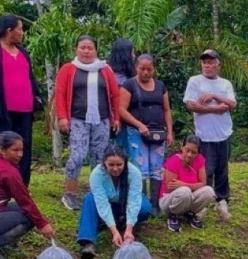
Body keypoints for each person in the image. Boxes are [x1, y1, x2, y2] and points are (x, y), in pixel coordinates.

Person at [56, 35, 121, 211]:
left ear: (96, 50)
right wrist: (62, 117)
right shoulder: (68, 69)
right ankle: (70, 193)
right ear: (76, 49)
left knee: (99, 157)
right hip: (78, 119)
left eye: (90, 48)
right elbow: (60, 93)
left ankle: (97, 193)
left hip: (102, 120)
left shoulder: (105, 70)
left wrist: (116, 118)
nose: (86, 51)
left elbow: (115, 95)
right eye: (82, 47)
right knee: (78, 155)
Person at [183, 49, 236, 221]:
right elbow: (191, 105)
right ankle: (203, 202)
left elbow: (232, 104)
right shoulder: (195, 81)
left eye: (211, 62)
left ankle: (222, 199)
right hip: (204, 135)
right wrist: (216, 108)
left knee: (222, 168)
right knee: (206, 169)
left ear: (218, 65)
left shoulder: (225, 84)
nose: (207, 66)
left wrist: (214, 96)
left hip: (223, 133)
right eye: (204, 62)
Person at [119, 54, 173, 215]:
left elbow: (166, 110)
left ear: (154, 69)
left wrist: (170, 132)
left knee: (156, 167)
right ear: (136, 67)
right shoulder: (129, 85)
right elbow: (121, 110)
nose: (145, 72)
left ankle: (155, 204)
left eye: (149, 69)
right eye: (142, 69)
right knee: (140, 168)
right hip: (137, 132)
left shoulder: (160, 86)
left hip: (158, 133)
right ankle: (142, 204)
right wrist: (139, 125)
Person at [76, 145, 152, 259]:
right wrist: (115, 232)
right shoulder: (96, 174)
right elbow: (102, 203)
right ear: (104, 163)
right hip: (109, 205)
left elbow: (134, 201)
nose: (115, 168)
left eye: (119, 164)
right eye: (111, 165)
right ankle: (88, 242)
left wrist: (129, 229)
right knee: (89, 198)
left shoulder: (134, 172)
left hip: (125, 204)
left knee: (144, 207)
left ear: (125, 162)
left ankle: (124, 223)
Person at [0, 15, 42, 187]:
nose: (22, 32)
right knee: (4, 147)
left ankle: (22, 184)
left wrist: (37, 96)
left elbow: (30, 77)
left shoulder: (23, 52)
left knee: (23, 147)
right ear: (9, 30)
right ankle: (4, 185)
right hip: (4, 111)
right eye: (20, 28)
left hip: (25, 109)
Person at [0, 131, 55, 252]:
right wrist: (43, 224)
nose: (20, 154)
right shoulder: (9, 172)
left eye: (21, 150)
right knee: (29, 218)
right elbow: (25, 201)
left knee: (20, 208)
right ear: (2, 150)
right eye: (15, 150)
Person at [159, 135, 216, 232]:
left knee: (209, 191)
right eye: (187, 150)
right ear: (182, 148)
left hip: (187, 197)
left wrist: (183, 184)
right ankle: (173, 215)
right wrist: (190, 187)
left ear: (198, 153)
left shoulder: (200, 160)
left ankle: (190, 213)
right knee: (184, 192)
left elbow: (203, 183)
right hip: (168, 200)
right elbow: (170, 188)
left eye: (194, 152)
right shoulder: (174, 161)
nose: (189, 155)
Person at [107, 38, 135, 151]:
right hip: (118, 121)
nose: (134, 56)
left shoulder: (117, 75)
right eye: (132, 53)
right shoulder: (116, 77)